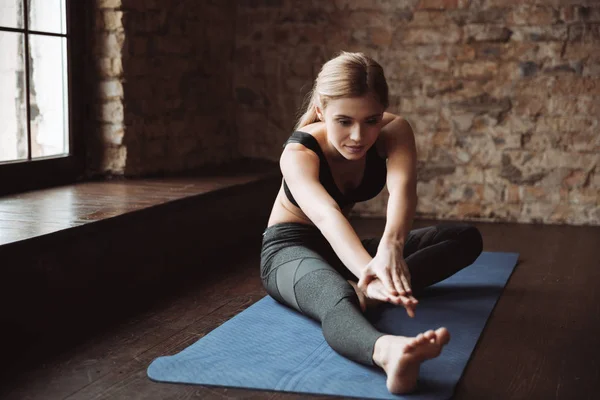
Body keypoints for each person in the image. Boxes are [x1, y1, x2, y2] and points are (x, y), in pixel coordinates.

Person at [260, 51, 483, 394]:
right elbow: (327, 216)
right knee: (336, 295)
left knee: (465, 238)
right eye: (344, 121)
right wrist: (371, 269)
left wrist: (390, 250)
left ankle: (368, 295)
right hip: (290, 250)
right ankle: (389, 354)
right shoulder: (298, 153)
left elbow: (403, 192)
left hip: (342, 249)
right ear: (321, 110)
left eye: (371, 120)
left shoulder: (395, 131)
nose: (358, 136)